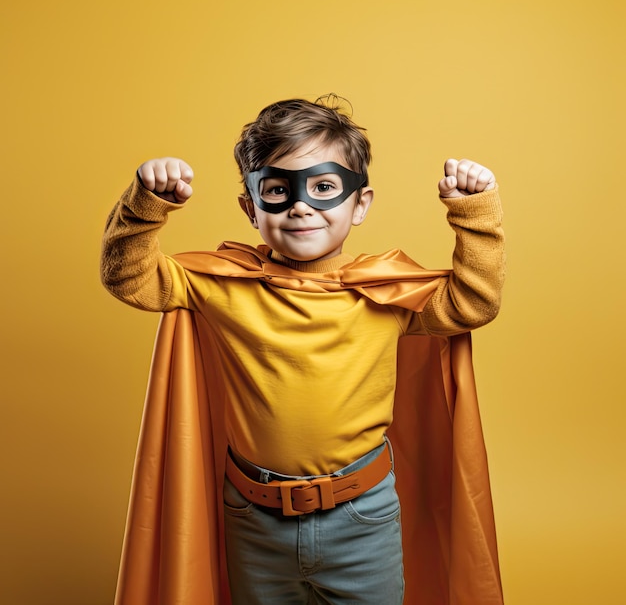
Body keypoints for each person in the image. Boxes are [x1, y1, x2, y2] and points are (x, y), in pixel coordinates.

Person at [101, 95, 505, 605]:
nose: (301, 205)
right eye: (277, 190)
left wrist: (474, 213)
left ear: (359, 204)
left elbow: (473, 303)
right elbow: (129, 278)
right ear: (250, 207)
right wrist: (146, 203)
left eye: (324, 187)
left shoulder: (385, 292)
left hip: (361, 515)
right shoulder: (220, 284)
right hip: (253, 515)